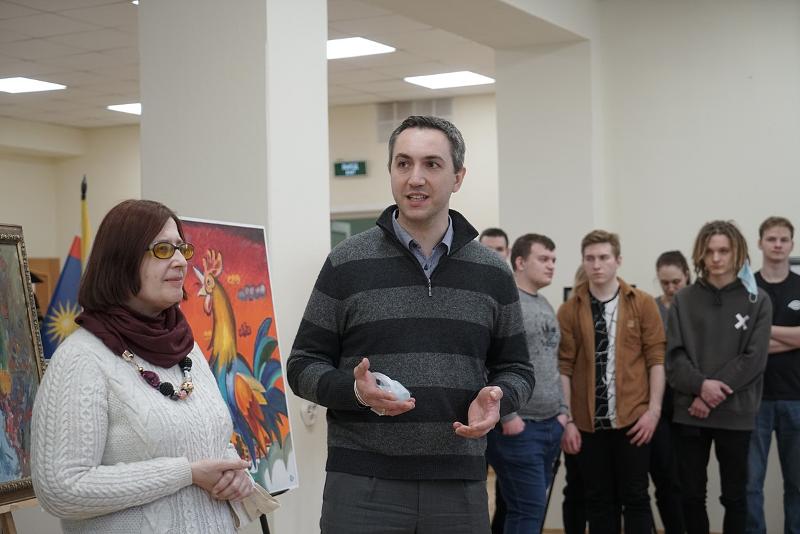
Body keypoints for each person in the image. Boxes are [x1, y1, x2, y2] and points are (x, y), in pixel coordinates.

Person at [287, 115, 535, 534]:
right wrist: (355, 392)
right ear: (391, 172)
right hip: (362, 486)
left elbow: (518, 369)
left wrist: (500, 396)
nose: (415, 178)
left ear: (458, 177)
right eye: (403, 163)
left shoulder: (492, 272)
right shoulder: (346, 263)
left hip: (459, 488)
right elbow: (302, 365)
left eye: (431, 164)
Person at [31, 199, 260, 533]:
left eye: (182, 248)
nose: (181, 261)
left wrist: (233, 473)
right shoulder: (80, 359)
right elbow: (61, 489)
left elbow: (205, 441)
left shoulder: (187, 348)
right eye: (163, 250)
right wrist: (185, 473)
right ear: (121, 261)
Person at [666, 220, 771, 534]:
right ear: (700, 253)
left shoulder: (758, 300)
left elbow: (754, 360)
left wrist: (709, 395)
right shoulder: (683, 299)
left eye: (723, 251)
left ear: (737, 252)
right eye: (710, 251)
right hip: (690, 413)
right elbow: (674, 357)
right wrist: (701, 386)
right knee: (691, 495)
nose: (716, 258)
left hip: (735, 413)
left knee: (736, 497)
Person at [558, 229, 665, 534]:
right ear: (583, 261)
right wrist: (568, 420)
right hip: (588, 424)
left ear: (618, 260)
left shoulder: (642, 303)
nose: (597, 265)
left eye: (604, 257)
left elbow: (656, 359)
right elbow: (564, 367)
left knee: (636, 498)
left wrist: (653, 412)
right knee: (598, 501)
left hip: (634, 420)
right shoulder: (570, 309)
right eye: (590, 258)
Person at [486, 233, 568, 534]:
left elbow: (552, 361)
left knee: (526, 509)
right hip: (519, 429)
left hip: (550, 424)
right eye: (543, 259)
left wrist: (562, 412)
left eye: (553, 259)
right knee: (528, 510)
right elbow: (488, 361)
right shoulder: (507, 302)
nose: (551, 265)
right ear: (520, 262)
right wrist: (508, 416)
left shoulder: (544, 303)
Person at [746, 216, 800, 534]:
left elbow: (757, 339)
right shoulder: (747, 288)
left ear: (792, 245)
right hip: (755, 399)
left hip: (797, 399)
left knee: (797, 484)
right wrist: (793, 338)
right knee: (750, 485)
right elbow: (744, 344)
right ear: (760, 243)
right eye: (771, 239)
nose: (777, 245)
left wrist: (764, 331)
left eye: (783, 239)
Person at [649, 250, 690, 534]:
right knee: (666, 477)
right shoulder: (651, 308)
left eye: (676, 282)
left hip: (689, 399)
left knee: (689, 479)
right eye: (665, 283)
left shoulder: (696, 308)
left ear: (687, 276)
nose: (671, 288)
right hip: (659, 401)